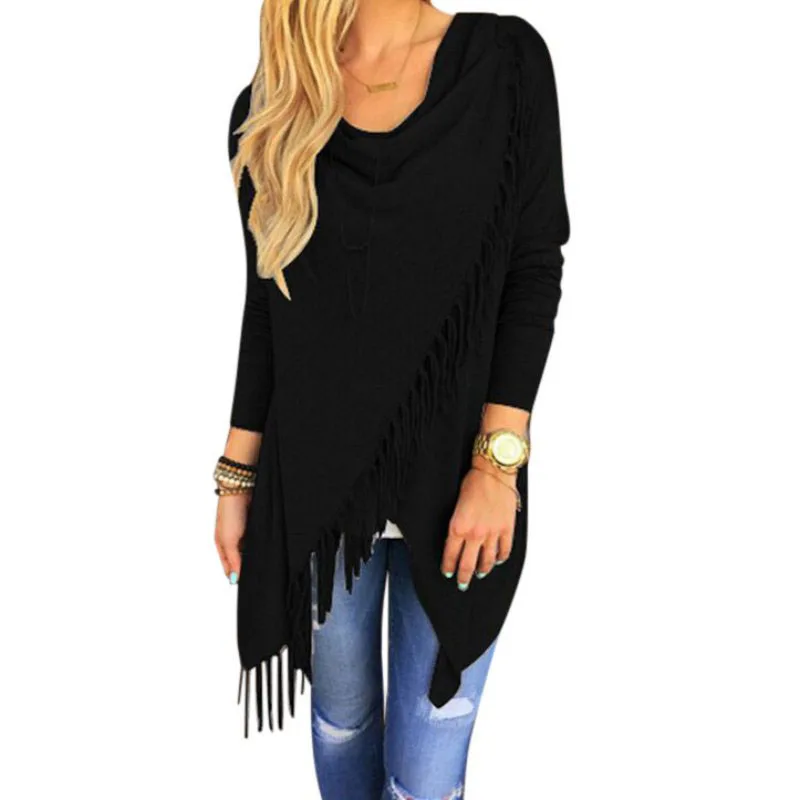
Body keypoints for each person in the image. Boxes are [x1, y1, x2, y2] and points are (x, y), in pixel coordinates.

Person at [214, 2, 569, 797]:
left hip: (458, 484)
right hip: (317, 496)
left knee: (425, 772)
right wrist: (237, 478)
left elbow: (532, 266)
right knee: (341, 732)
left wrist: (498, 466)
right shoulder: (273, 104)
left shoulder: (505, 62)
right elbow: (267, 308)